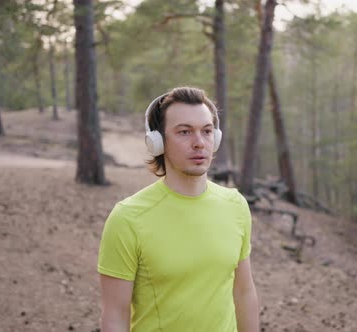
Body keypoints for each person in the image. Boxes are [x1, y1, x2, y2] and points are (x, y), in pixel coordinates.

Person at [97, 87, 259, 332]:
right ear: (157, 142)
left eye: (206, 131)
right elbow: (115, 317)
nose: (199, 143)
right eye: (184, 132)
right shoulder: (127, 218)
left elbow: (244, 292)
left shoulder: (235, 205)